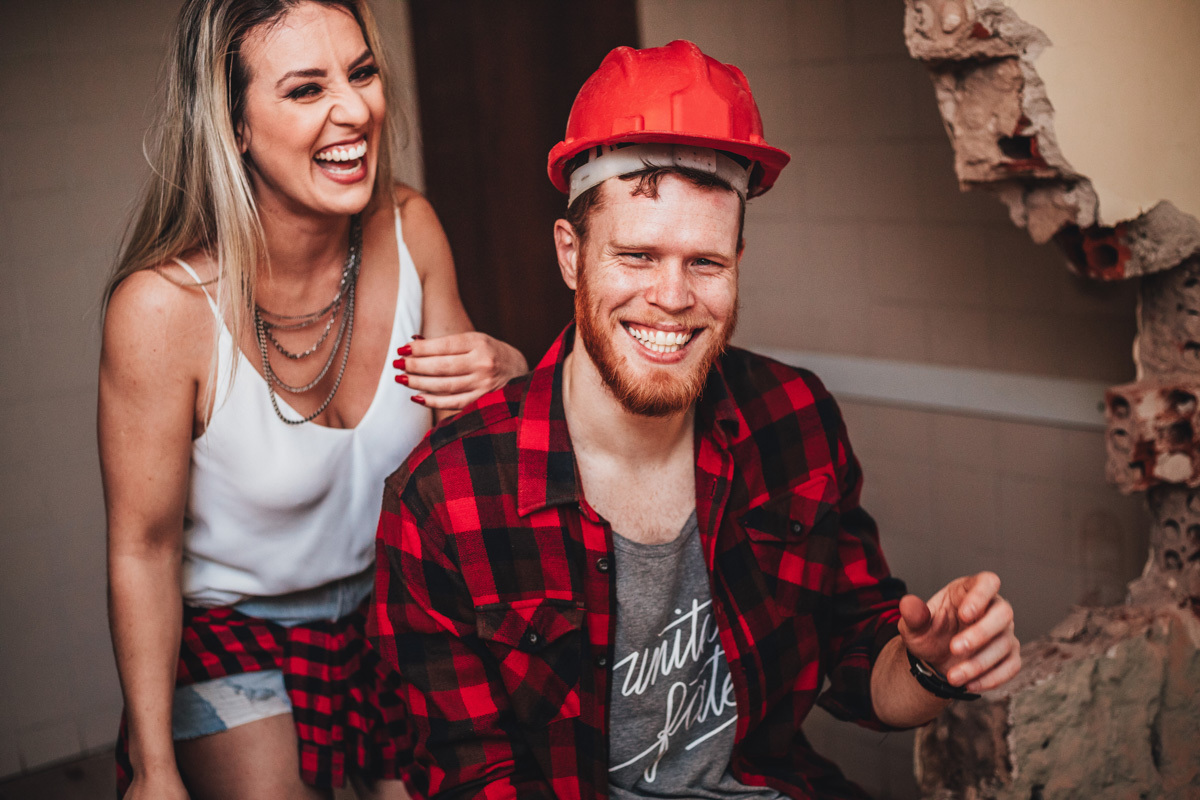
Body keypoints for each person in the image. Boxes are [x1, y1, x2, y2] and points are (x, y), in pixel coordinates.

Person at [370, 40, 1021, 800]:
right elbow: (470, 780)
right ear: (571, 255)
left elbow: (862, 663)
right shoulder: (443, 499)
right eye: (638, 256)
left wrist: (932, 667)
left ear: (738, 259)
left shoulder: (794, 417)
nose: (673, 298)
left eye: (705, 263)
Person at [99, 1, 528, 798]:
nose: (355, 110)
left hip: (392, 611)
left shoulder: (412, 228)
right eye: (305, 89)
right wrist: (154, 771)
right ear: (234, 124)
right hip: (234, 627)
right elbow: (143, 549)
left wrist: (512, 379)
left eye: (361, 74)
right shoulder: (160, 309)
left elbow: (466, 465)